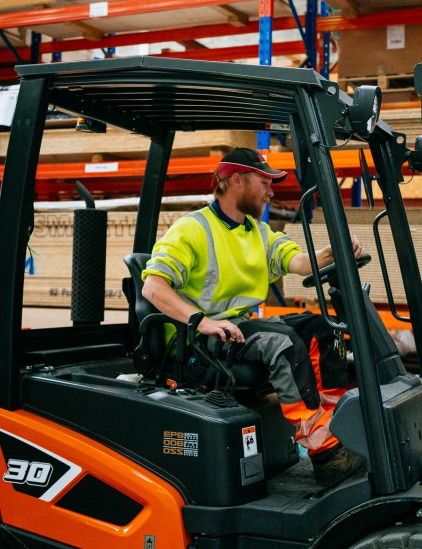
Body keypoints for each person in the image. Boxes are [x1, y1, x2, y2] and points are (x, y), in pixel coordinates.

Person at [141, 147, 366, 485]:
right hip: (201, 342)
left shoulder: (256, 231)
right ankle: (325, 454)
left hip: (239, 330)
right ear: (237, 181)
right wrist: (203, 321)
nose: (271, 191)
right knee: (284, 345)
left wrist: (331, 252)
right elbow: (153, 288)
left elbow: (299, 263)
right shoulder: (192, 230)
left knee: (324, 330)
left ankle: (335, 429)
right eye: (265, 182)